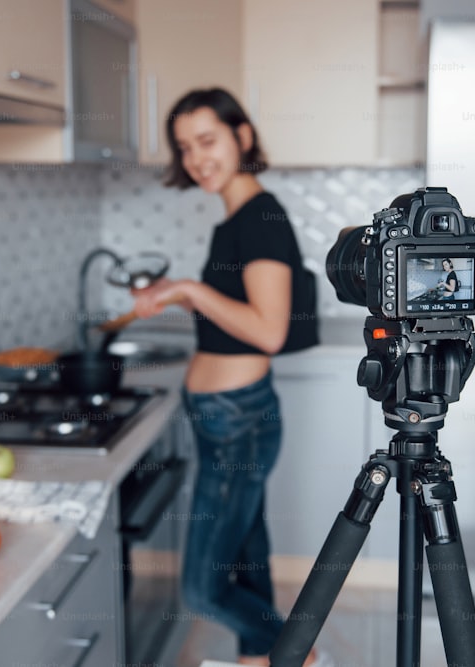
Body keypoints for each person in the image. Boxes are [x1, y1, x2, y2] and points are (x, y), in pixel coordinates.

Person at [129, 88, 327, 667]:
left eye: (208, 140)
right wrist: (177, 298)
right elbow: (232, 319)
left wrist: (191, 289)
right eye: (186, 147)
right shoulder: (236, 221)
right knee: (247, 554)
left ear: (242, 136)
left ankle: (298, 655)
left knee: (203, 588)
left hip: (239, 417)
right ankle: (257, 661)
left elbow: (267, 330)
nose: (196, 158)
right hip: (226, 416)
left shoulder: (261, 218)